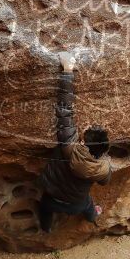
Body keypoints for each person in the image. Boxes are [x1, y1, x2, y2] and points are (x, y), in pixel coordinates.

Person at [37, 53, 111, 233]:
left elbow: (64, 110)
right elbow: (104, 182)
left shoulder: (68, 144)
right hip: (77, 204)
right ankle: (93, 216)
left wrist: (68, 70)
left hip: (51, 197)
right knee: (88, 205)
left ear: (83, 141)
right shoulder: (103, 168)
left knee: (44, 208)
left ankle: (46, 228)